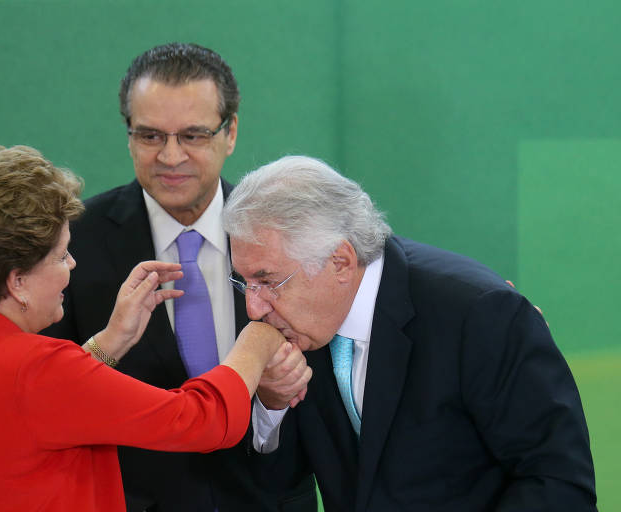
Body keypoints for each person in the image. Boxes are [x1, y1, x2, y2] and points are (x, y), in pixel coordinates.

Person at [0, 145, 291, 512]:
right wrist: (259, 335)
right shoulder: (36, 371)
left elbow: (27, 414)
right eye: (60, 257)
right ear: (16, 281)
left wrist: (114, 339)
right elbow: (203, 420)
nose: (72, 266)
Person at [222, 155, 598, 511]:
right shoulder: (297, 324)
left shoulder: (479, 314)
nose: (253, 307)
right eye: (245, 282)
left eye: (267, 281)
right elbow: (278, 488)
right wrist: (271, 404)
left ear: (340, 261)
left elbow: (559, 484)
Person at [42, 43, 316, 511]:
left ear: (230, 133)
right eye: (150, 136)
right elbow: (50, 403)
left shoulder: (287, 236)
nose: (171, 157)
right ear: (128, 136)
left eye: (192, 135)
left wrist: (272, 398)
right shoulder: (70, 246)